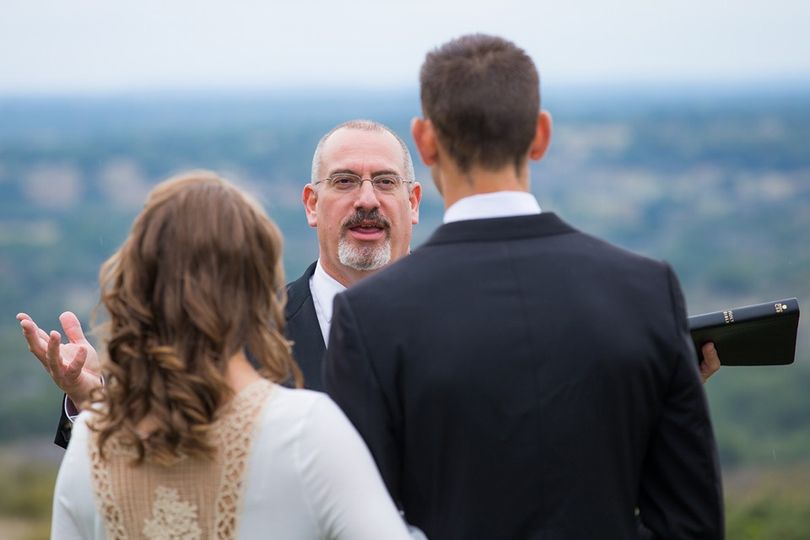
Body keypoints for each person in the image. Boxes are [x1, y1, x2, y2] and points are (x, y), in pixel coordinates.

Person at [323, 34, 724, 539]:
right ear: (541, 134)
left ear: (424, 142)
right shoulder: (646, 291)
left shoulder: (370, 316)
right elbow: (692, 526)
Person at [49, 172, 413, 539]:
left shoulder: (92, 442)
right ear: (257, 285)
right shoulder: (308, 430)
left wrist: (97, 402)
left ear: (138, 285)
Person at [18, 119, 424, 448]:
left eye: (386, 182)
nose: (367, 199)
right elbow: (157, 463)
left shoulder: (471, 323)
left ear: (414, 202)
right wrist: (91, 399)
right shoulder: (238, 336)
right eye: (345, 181)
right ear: (311, 204)